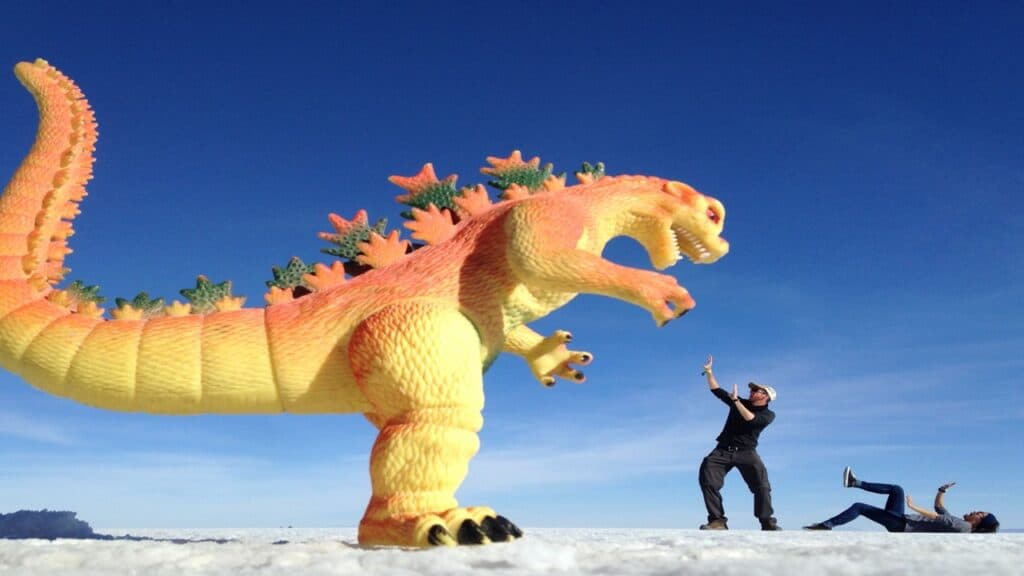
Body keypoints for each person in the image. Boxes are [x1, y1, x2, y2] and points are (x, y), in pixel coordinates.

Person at [697, 354, 780, 530]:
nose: (751, 391)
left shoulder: (768, 415)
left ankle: (767, 521)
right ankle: (717, 520)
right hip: (722, 451)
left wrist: (736, 401)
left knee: (762, 486)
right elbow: (716, 390)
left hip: (747, 453)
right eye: (752, 389)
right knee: (707, 478)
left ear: (766, 396)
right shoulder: (738, 402)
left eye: (756, 390)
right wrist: (709, 373)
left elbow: (751, 419)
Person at [803, 467, 1000, 533]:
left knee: (860, 506)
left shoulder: (964, 526)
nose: (976, 511)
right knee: (895, 490)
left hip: (902, 525)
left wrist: (913, 506)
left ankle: (828, 524)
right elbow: (939, 508)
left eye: (980, 514)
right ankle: (854, 483)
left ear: (979, 522)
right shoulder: (961, 525)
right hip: (902, 521)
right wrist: (941, 490)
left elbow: (936, 516)